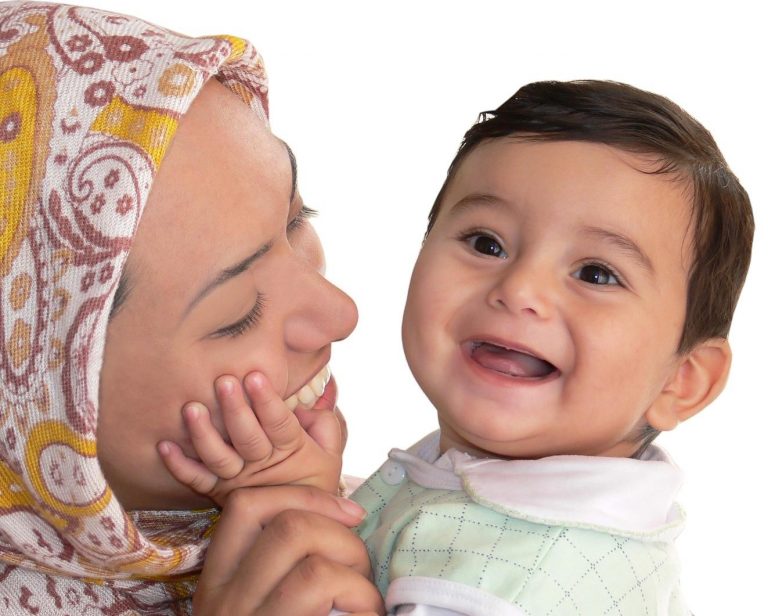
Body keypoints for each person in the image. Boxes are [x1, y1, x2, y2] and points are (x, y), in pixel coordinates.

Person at [174, 80, 754, 615]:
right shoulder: (517, 506)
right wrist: (305, 499)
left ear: (683, 380)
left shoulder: (511, 588)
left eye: (596, 274)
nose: (519, 289)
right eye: (486, 243)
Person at [0, 2, 383, 614]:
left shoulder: (412, 514)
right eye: (238, 314)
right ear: (35, 405)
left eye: (297, 217)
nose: (342, 314)